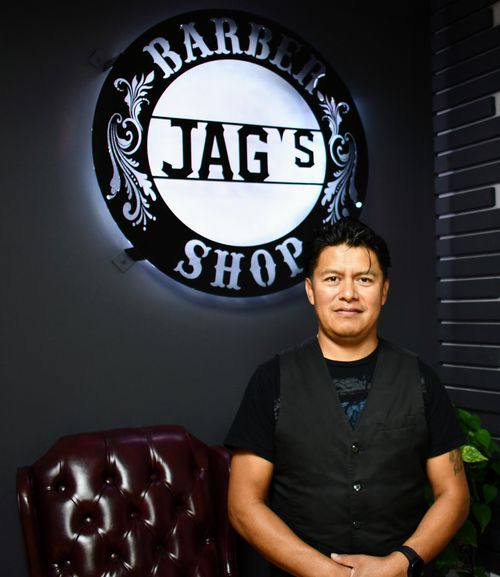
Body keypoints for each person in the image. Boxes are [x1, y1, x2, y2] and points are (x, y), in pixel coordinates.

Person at [225, 217, 470, 577]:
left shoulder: (421, 379)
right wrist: (328, 573)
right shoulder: (271, 381)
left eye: (364, 279)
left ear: (384, 291)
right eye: (332, 279)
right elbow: (243, 505)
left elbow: (454, 495)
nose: (348, 294)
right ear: (310, 290)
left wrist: (398, 565)